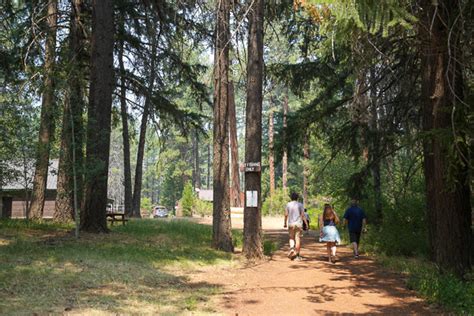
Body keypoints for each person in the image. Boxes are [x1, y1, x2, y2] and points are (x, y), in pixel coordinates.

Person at [284, 192, 308, 261]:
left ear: (291, 197)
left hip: (291, 223)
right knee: (297, 239)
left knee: (291, 238)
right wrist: (306, 224)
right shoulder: (300, 204)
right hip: (298, 223)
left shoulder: (288, 204)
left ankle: (292, 248)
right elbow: (303, 215)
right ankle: (297, 255)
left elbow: (286, 214)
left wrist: (285, 223)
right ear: (297, 197)